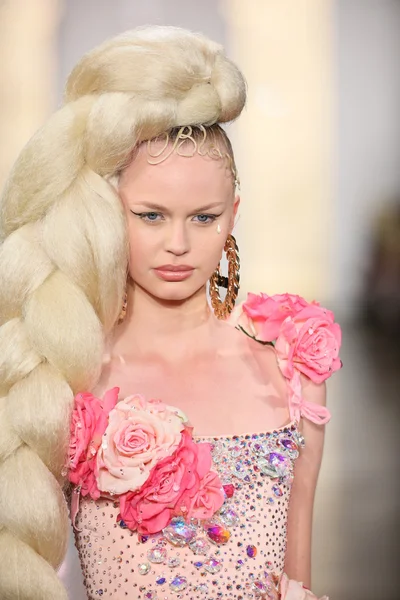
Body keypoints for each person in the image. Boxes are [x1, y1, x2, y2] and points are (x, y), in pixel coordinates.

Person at [0, 26, 342, 600]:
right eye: (152, 215)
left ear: (233, 214)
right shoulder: (65, 374)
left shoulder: (292, 361)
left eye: (203, 217)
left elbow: (299, 579)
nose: (178, 244)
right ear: (110, 213)